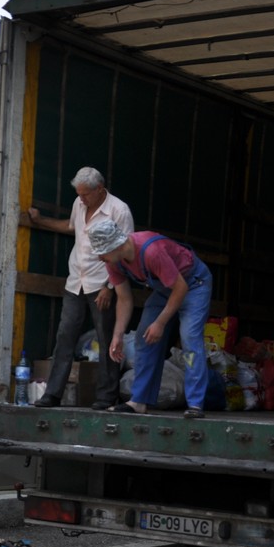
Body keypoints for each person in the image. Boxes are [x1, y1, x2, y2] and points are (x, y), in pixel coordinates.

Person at [28, 167, 134, 410]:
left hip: (102, 283)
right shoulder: (80, 203)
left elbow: (126, 251)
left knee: (106, 339)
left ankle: (106, 396)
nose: (81, 199)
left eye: (85, 194)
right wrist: (40, 220)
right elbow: (70, 226)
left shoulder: (119, 210)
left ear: (100, 189)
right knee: (64, 337)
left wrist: (109, 286)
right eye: (79, 194)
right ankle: (52, 394)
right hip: (76, 281)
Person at [87, 219, 212, 419]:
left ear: (116, 246)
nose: (100, 258)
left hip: (193, 284)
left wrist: (160, 323)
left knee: (189, 338)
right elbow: (124, 299)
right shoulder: (114, 262)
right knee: (144, 338)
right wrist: (118, 336)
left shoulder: (151, 251)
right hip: (165, 289)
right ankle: (139, 401)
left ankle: (195, 404)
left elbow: (180, 288)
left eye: (102, 252)